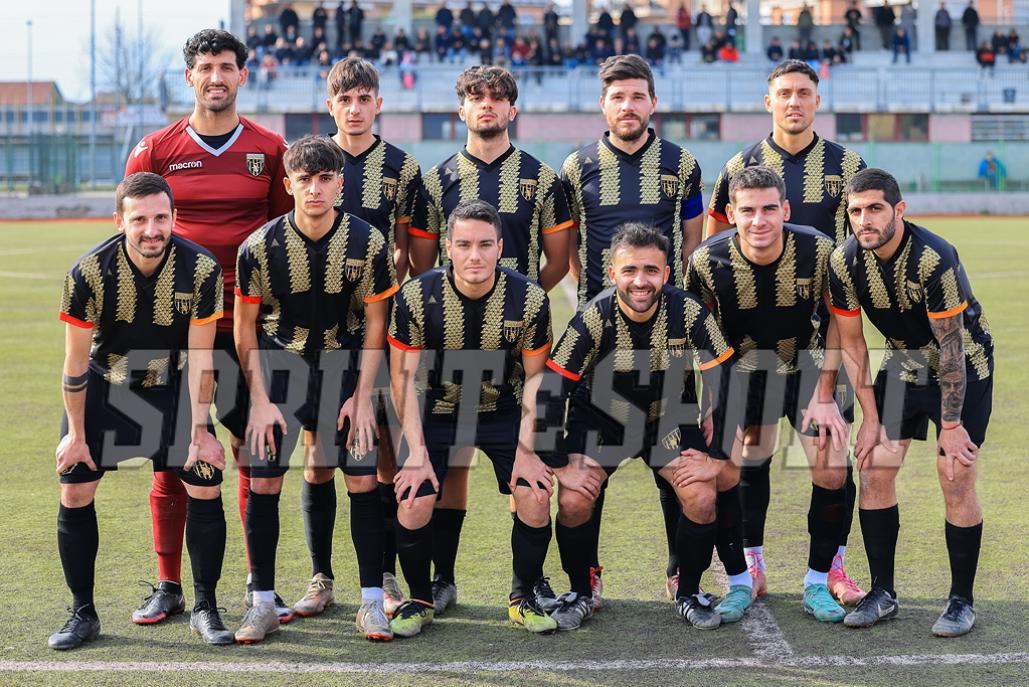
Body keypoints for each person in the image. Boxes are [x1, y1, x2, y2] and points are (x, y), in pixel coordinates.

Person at [124, 28, 294, 626]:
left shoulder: (270, 149)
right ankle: (170, 584)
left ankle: (256, 586)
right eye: (205, 67)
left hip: (245, 327)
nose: (216, 77)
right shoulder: (154, 150)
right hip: (174, 329)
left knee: (251, 451)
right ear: (189, 76)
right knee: (171, 454)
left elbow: (283, 237)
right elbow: (134, 237)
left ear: (242, 75)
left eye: (226, 66)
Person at [406, 65, 572, 615]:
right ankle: (441, 579)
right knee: (450, 468)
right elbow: (423, 265)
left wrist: (517, 303)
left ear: (512, 110)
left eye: (498, 98)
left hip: (516, 348)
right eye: (476, 97)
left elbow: (558, 261)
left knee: (528, 473)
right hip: (448, 351)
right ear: (461, 110)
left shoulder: (542, 178)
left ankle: (531, 583)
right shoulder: (436, 180)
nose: (487, 105)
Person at [706, 60, 867, 606]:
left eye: (803, 93)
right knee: (751, 451)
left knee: (830, 452)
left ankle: (833, 567)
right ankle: (751, 563)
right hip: (749, 347)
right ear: (768, 101)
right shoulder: (739, 165)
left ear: (817, 100)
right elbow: (719, 246)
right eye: (784, 93)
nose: (794, 102)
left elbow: (858, 250)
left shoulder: (847, 165)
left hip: (818, 342)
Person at [49, 172, 230, 650]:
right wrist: (76, 435)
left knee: (205, 480)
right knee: (75, 489)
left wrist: (199, 431)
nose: (152, 230)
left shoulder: (202, 268)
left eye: (161, 218)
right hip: (107, 387)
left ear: (174, 217)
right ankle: (83, 613)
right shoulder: (88, 272)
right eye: (140, 220)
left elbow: (202, 358)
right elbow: (75, 362)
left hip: (173, 387)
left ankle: (205, 607)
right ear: (119, 221)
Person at [232, 135, 398, 643]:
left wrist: (363, 396)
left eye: (325, 179)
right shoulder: (258, 247)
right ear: (288, 185)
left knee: (362, 481)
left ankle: (372, 602)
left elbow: (377, 322)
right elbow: (245, 328)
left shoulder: (368, 242)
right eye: (304, 180)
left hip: (345, 370)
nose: (315, 189)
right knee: (264, 482)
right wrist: (260, 400)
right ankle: (263, 604)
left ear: (339, 184)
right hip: (280, 371)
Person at [688, 166, 861, 624]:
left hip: (809, 367)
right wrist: (715, 401)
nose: (759, 220)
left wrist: (825, 394)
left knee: (831, 464)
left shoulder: (820, 251)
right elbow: (698, 336)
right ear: (731, 214)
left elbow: (840, 324)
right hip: (742, 371)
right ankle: (746, 575)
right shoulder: (705, 261)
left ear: (785, 209)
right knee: (731, 465)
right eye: (748, 210)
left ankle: (819, 579)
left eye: (769, 209)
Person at [560, 54, 705, 604]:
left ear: (653, 103)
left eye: (637, 96)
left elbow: (691, 244)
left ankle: (679, 571)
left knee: (679, 463)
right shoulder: (577, 166)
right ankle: (588, 574)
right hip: (600, 343)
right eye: (618, 97)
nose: (628, 106)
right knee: (586, 472)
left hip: (666, 338)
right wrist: (599, 300)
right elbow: (570, 249)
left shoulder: (681, 163)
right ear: (603, 104)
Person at [546, 222, 737, 630]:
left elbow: (725, 381)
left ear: (666, 273)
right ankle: (581, 590)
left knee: (702, 496)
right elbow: (551, 389)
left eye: (651, 270)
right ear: (612, 273)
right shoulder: (593, 317)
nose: (640, 280)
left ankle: (688, 591)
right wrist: (559, 463)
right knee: (574, 501)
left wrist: (717, 456)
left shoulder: (689, 312)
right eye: (630, 270)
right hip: (602, 419)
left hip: (666, 417)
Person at [829, 168, 993, 638]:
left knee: (955, 473)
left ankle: (961, 601)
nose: (865, 219)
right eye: (856, 210)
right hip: (904, 361)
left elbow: (952, 348)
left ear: (899, 210)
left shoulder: (933, 257)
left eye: (875, 208)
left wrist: (951, 425)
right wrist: (870, 418)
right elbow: (852, 342)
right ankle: (883, 592)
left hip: (963, 362)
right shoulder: (844, 261)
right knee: (874, 468)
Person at [387, 198, 557, 637]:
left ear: (500, 247)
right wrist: (416, 454)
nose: (474, 255)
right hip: (438, 407)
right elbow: (402, 378)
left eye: (484, 244)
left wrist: (528, 451)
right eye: (463, 245)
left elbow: (537, 379)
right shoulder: (416, 296)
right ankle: (420, 599)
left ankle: (523, 598)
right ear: (448, 248)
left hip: (503, 408)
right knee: (414, 496)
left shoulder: (529, 298)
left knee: (535, 494)